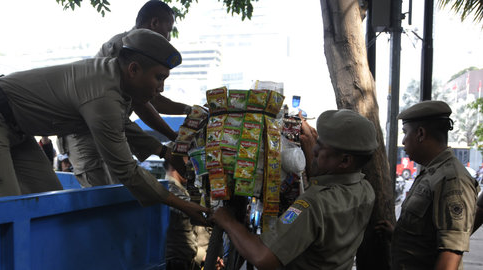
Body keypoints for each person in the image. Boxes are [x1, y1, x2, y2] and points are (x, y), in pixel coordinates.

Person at [0, 29, 208, 224]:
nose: (160, 88)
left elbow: (118, 127)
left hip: (14, 128)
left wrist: (164, 152)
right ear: (133, 69)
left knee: (48, 201)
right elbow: (125, 169)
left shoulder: (115, 85)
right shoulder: (102, 94)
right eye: (159, 78)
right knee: (2, 216)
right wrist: (181, 204)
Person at [211, 109, 378, 269]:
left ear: (345, 161)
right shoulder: (365, 190)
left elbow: (262, 257)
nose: (315, 150)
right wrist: (311, 143)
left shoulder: (312, 205)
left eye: (320, 146)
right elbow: (327, 185)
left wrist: (227, 221)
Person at [61, 0, 192, 187]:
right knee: (100, 193)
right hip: (83, 130)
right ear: (154, 23)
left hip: (109, 127)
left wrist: (190, 111)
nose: (169, 38)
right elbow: (142, 105)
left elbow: (153, 99)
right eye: (168, 29)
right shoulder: (124, 47)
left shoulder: (142, 52)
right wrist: (172, 137)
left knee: (118, 190)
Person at [375, 100, 479, 269]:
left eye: (405, 132)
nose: (403, 140)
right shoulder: (432, 172)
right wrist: (398, 235)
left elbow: (450, 254)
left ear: (420, 133)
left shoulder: (451, 179)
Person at [163, 160, 201, 270]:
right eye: (188, 162)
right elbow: (190, 209)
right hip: (176, 262)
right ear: (174, 164)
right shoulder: (169, 189)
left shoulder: (181, 189)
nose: (191, 167)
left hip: (186, 260)